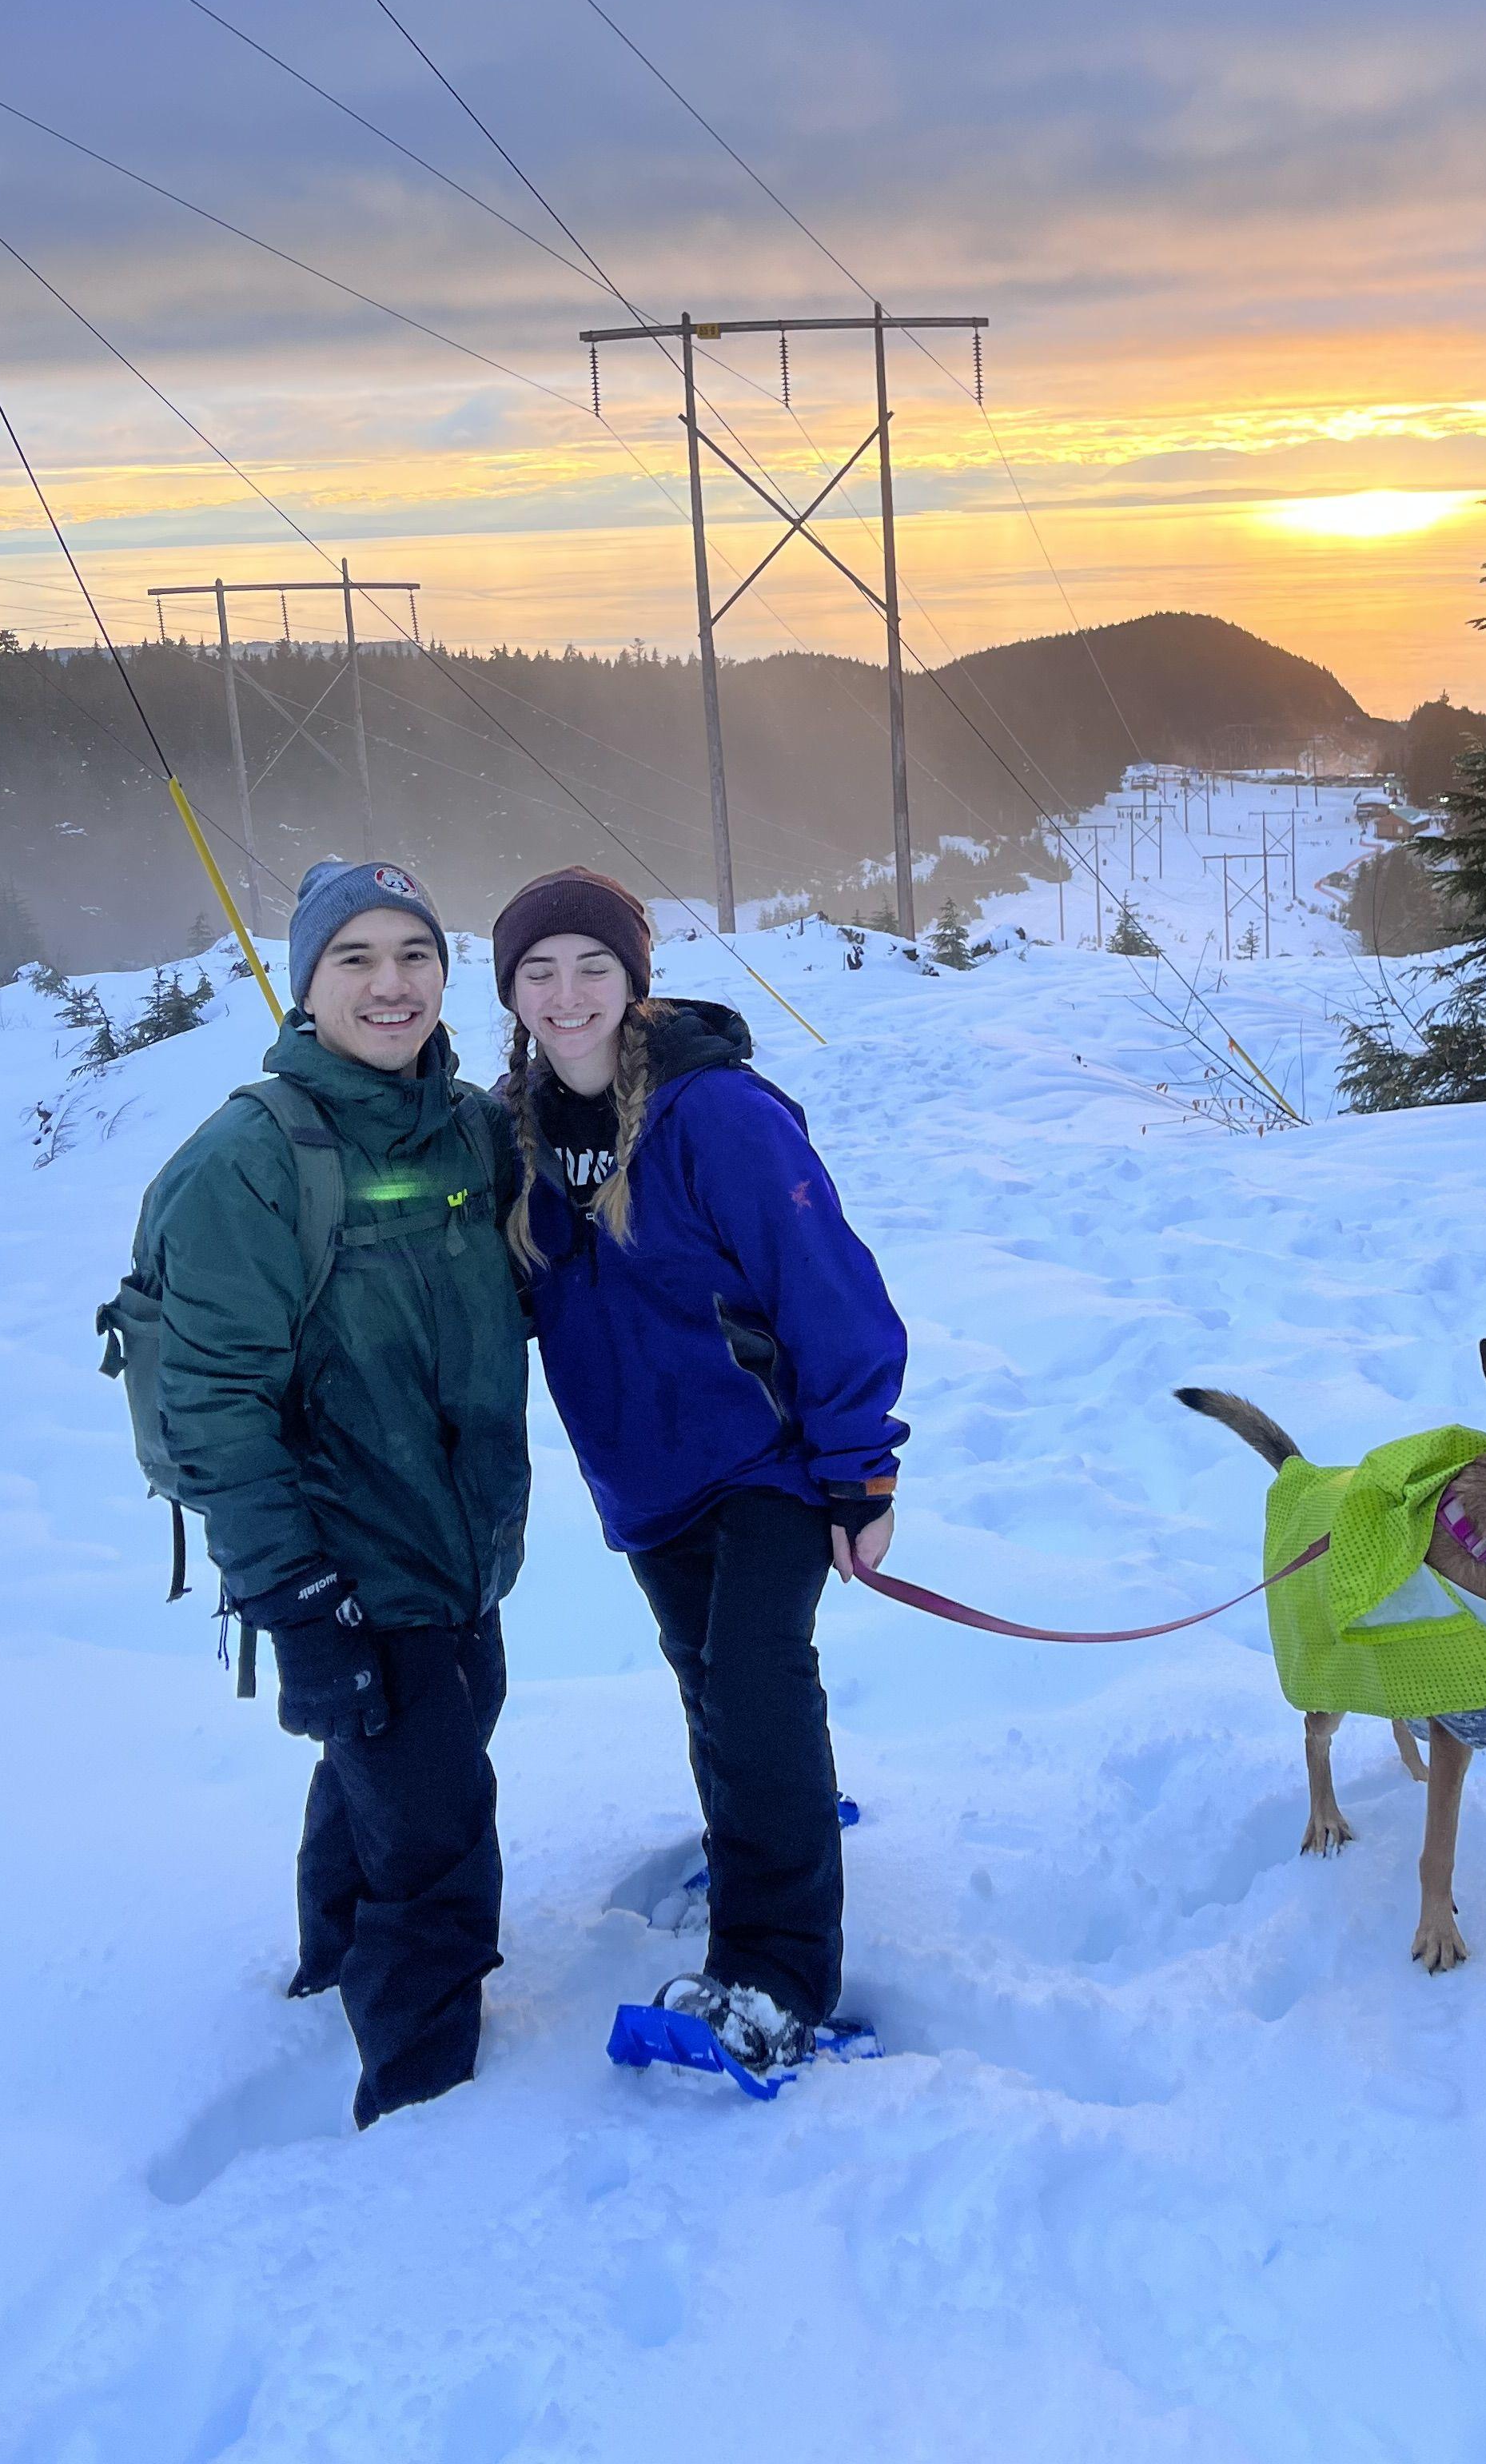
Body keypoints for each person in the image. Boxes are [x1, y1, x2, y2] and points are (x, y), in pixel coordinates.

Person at [488, 866, 909, 2076]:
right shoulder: (512, 1136)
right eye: (539, 972)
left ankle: (775, 1974)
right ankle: (759, 1838)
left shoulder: (713, 1115)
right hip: (644, 1475)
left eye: (593, 968)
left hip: (767, 1456)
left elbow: (826, 1284)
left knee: (755, 1682)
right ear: (512, 992)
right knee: (709, 1677)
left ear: (635, 981)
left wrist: (858, 1469)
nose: (567, 996)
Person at [141, 859, 529, 2128]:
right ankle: (424, 2111)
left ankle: (322, 1975)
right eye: (354, 957)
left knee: (392, 1768)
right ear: (305, 985)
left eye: (413, 954)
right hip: (349, 1565)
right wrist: (298, 1599)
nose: (390, 983)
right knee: (436, 1840)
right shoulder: (251, 1164)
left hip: (460, 1546)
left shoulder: (470, 1128)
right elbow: (211, 1402)